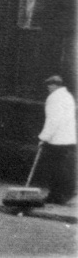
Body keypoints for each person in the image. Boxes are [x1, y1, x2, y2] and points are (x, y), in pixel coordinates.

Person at [38, 75, 76, 205]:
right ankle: (63, 195)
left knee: (54, 170)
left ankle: (55, 196)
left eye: (49, 85)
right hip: (68, 138)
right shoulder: (68, 96)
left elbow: (52, 121)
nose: (48, 87)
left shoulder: (54, 98)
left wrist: (43, 137)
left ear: (55, 85)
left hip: (57, 140)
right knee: (64, 169)